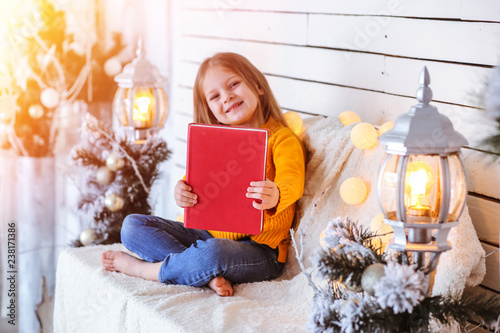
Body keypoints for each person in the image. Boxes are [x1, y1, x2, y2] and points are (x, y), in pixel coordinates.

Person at [101, 52, 305, 297]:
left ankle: (147, 271)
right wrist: (183, 192)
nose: (227, 97)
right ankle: (204, 274)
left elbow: (292, 178)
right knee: (133, 226)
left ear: (258, 86)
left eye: (233, 84)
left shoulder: (281, 139)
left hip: (260, 251)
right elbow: (194, 183)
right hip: (209, 235)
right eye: (215, 96)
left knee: (213, 253)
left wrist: (278, 193)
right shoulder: (215, 143)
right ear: (211, 111)